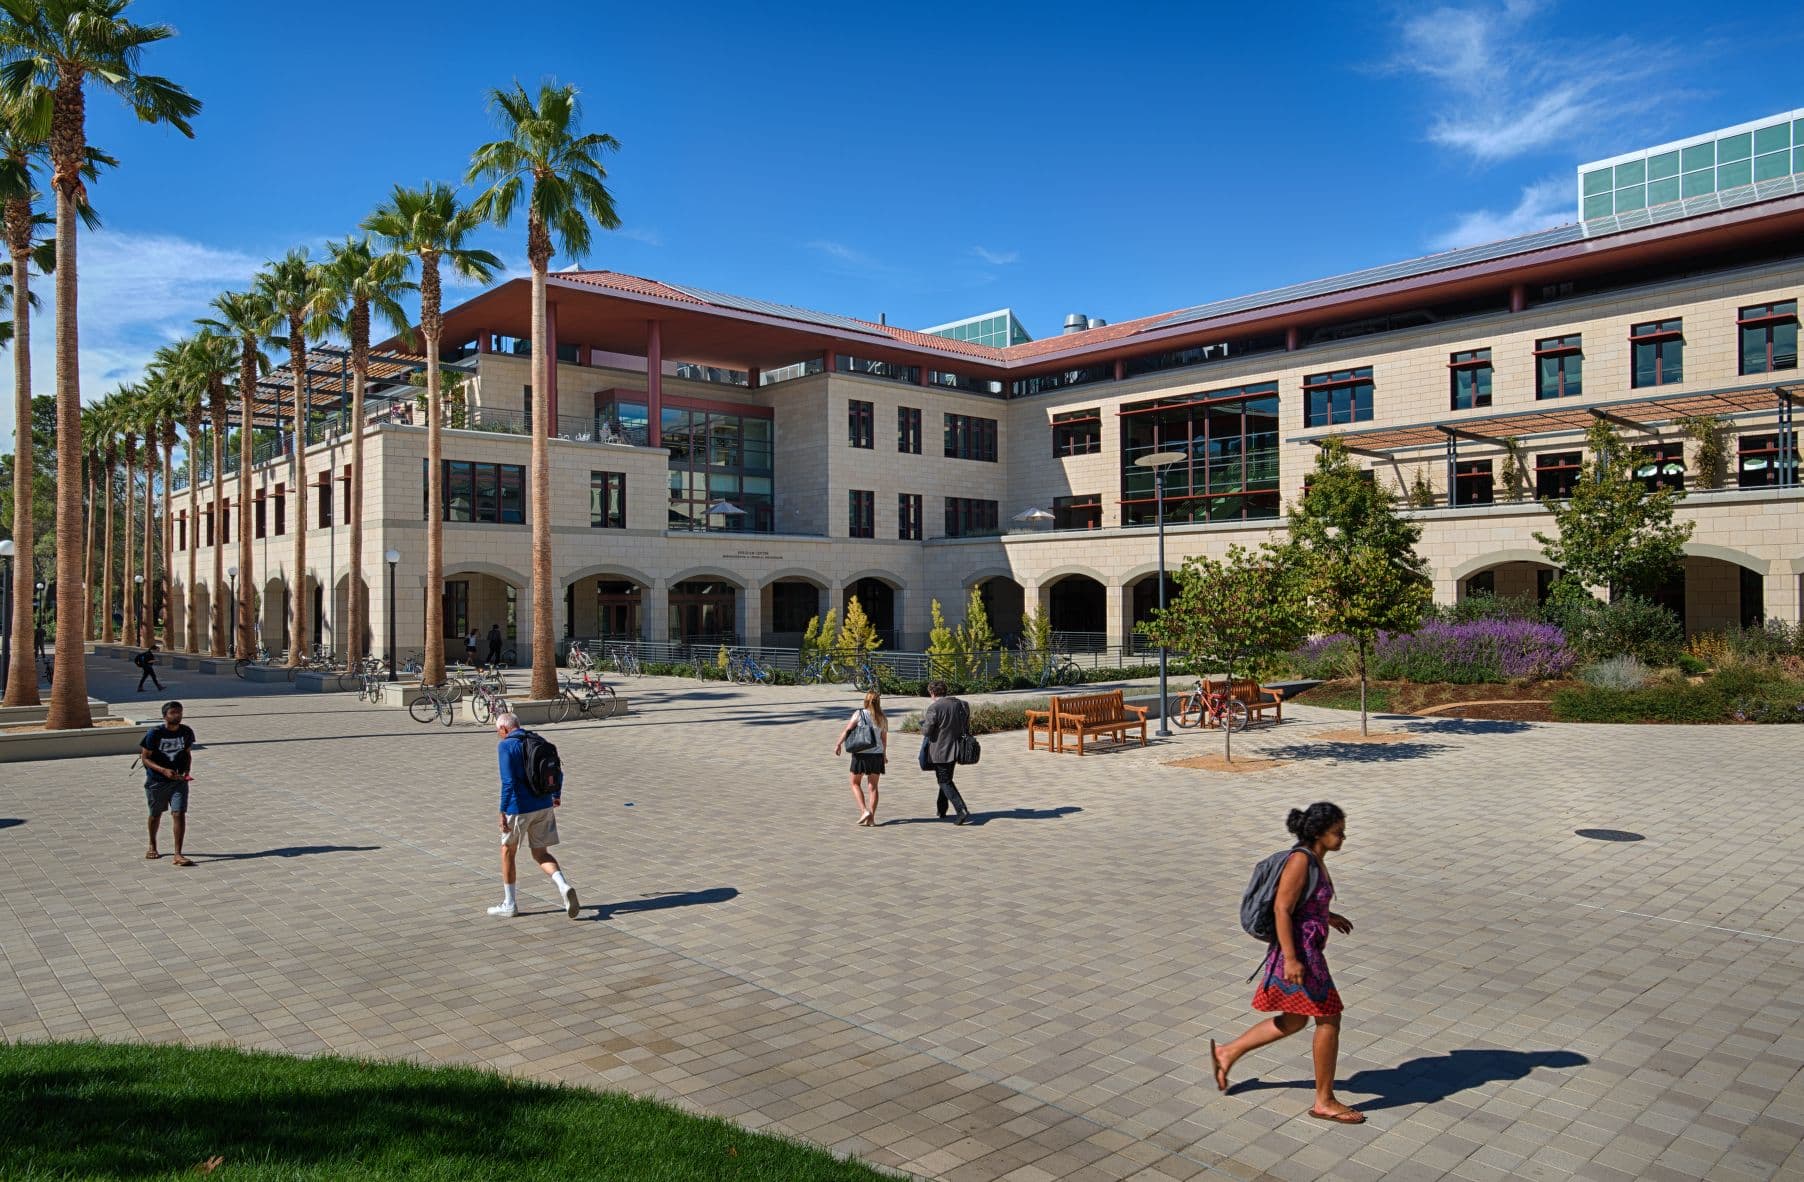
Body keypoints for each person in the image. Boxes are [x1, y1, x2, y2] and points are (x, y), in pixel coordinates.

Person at [1210, 802, 1362, 1124]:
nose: (1343, 838)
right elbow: (1282, 909)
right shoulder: (1300, 861)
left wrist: (1327, 916)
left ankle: (1227, 1052)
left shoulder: (1315, 859)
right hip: (1301, 955)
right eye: (1338, 832)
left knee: (1294, 1021)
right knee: (1329, 1019)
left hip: (1305, 951)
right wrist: (1292, 959)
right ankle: (1324, 1101)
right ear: (1319, 834)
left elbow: (1304, 905)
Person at [489, 712, 579, 919]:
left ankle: (509, 904)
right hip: (544, 804)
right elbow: (558, 771)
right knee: (541, 853)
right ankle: (563, 886)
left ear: (504, 729)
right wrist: (556, 795)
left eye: (498, 732)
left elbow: (508, 783)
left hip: (518, 808)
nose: (499, 736)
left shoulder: (506, 746)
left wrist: (502, 811)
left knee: (508, 852)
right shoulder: (538, 740)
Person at [139, 701, 197, 867]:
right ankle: (152, 844)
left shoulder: (186, 732)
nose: (177, 715)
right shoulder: (154, 733)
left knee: (178, 813)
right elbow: (145, 758)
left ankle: (178, 854)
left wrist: (186, 770)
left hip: (178, 781)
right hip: (157, 781)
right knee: (155, 814)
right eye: (173, 713)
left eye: (179, 712)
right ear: (165, 715)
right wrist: (163, 770)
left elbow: (187, 753)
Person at [919, 679, 973, 824]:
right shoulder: (962, 704)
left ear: (932, 692)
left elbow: (927, 731)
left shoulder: (934, 708)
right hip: (958, 748)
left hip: (941, 750)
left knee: (944, 780)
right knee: (946, 778)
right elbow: (966, 725)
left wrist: (922, 725)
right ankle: (942, 808)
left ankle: (961, 809)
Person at [834, 689, 889, 826]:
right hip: (876, 755)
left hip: (861, 754)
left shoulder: (859, 714)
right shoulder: (882, 717)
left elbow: (847, 730)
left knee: (854, 783)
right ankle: (872, 819)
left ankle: (864, 811)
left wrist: (838, 744)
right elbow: (884, 739)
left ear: (866, 700)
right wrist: (884, 755)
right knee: (873, 787)